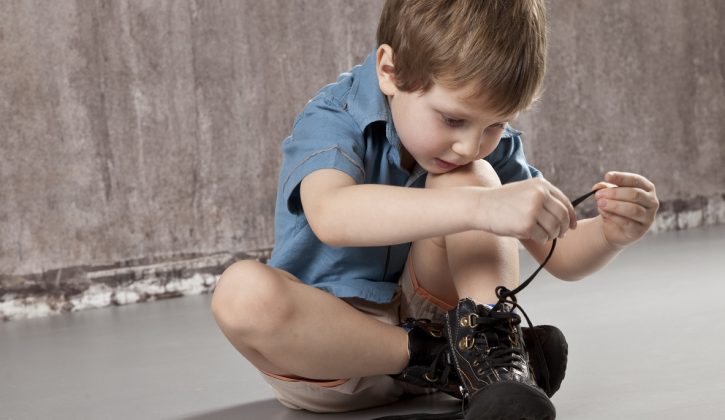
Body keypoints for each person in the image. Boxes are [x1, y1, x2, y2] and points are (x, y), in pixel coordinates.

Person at [211, 0, 659, 418]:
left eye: (497, 124)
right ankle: (446, 360)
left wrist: (610, 234)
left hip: (435, 314)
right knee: (240, 293)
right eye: (452, 119)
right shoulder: (333, 117)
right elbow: (332, 214)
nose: (471, 143)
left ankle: (490, 363)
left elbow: (557, 253)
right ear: (390, 70)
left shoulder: (478, 149)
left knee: (475, 177)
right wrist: (481, 208)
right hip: (329, 356)